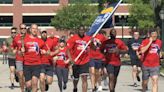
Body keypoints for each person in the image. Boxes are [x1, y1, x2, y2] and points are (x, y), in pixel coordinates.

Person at [67, 26, 91, 92]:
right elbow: (68, 49)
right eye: (80, 30)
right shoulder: (73, 38)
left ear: (84, 31)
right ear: (78, 30)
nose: (81, 31)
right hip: (76, 61)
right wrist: (71, 59)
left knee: (84, 78)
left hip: (85, 61)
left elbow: (94, 47)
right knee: (76, 78)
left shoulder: (88, 38)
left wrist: (92, 41)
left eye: (83, 30)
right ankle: (75, 87)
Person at [21, 24, 44, 92]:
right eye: (33, 28)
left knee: (34, 82)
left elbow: (46, 51)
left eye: (36, 29)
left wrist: (44, 51)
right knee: (28, 85)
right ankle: (27, 89)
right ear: (30, 30)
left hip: (37, 64)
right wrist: (21, 51)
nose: (34, 30)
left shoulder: (40, 41)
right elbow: (20, 51)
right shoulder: (25, 39)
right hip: (27, 64)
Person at [13, 23, 27, 92]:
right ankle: (22, 90)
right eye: (22, 28)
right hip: (19, 59)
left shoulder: (29, 37)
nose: (23, 29)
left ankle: (27, 87)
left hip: (28, 59)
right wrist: (15, 51)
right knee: (21, 75)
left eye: (25, 28)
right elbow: (13, 47)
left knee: (26, 76)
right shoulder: (16, 37)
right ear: (20, 29)